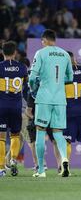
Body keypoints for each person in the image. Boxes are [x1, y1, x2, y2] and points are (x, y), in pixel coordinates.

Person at [28, 29, 73, 178]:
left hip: (44, 98)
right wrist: (58, 82)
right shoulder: (65, 54)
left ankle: (41, 170)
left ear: (44, 40)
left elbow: (32, 77)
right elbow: (70, 78)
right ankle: (64, 161)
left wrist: (33, 88)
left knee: (40, 131)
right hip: (60, 99)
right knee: (58, 133)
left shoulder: (41, 53)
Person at [0, 41, 28, 177]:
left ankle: (1, 169)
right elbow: (27, 87)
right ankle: (13, 159)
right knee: (15, 135)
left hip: (2, 106)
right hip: (16, 106)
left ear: (2, 52)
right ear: (15, 53)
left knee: (1, 137)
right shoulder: (22, 68)